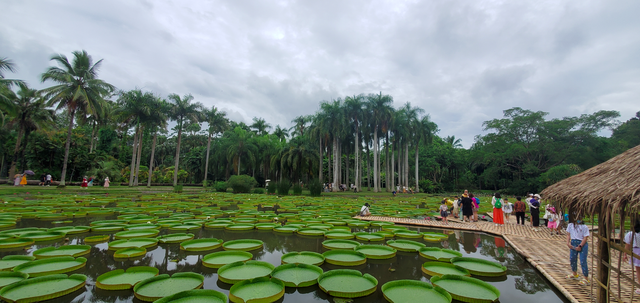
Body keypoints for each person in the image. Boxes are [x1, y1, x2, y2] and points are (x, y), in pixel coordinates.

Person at [566, 217, 590, 285]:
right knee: (572, 259)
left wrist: (580, 246)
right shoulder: (570, 225)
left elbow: (585, 238)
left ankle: (586, 278)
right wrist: (568, 243)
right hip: (573, 242)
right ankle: (574, 273)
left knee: (583, 261)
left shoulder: (584, 227)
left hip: (582, 243)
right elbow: (568, 234)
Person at [623, 220, 640, 295]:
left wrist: (625, 254)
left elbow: (627, 245)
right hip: (636, 251)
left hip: (636, 251)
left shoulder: (631, 234)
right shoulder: (631, 234)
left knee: (638, 271)